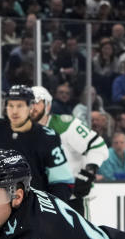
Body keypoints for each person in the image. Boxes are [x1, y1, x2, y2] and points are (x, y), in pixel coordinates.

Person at [0, 85, 74, 201]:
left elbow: (63, 183)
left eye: (20, 106)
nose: (14, 111)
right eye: (10, 105)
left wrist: (50, 211)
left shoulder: (47, 137)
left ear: (30, 107)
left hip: (34, 210)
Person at [30, 86, 109, 217]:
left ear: (48, 106)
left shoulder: (65, 125)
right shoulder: (20, 132)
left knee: (80, 237)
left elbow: (97, 146)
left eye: (37, 102)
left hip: (72, 199)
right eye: (29, 103)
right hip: (40, 202)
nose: (32, 107)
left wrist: (88, 173)